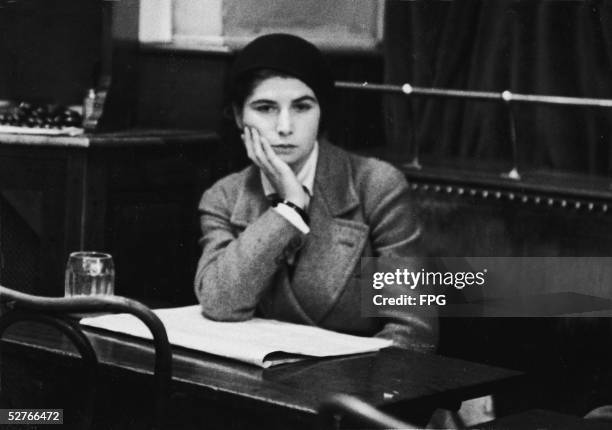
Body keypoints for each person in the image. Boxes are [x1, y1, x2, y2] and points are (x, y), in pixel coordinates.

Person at [194, 33, 437, 352]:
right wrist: (290, 209)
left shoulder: (376, 186)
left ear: (322, 113)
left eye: (302, 107)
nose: (284, 126)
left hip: (354, 391)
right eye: (265, 108)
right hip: (259, 388)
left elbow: (413, 332)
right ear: (240, 117)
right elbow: (220, 302)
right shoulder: (224, 197)